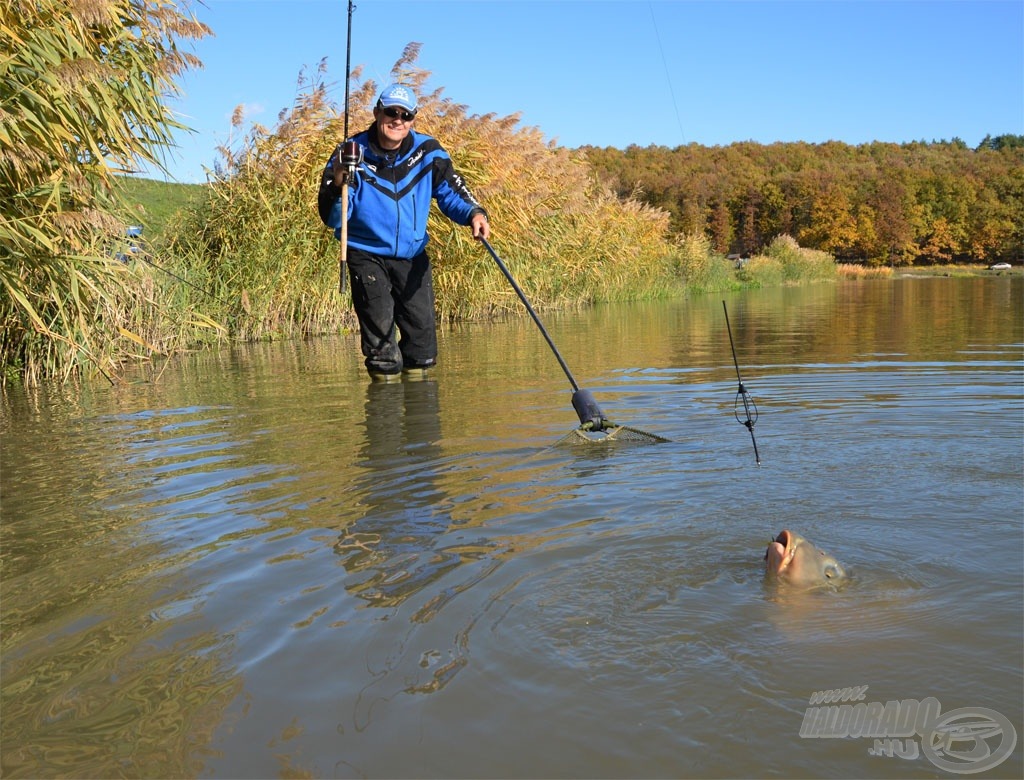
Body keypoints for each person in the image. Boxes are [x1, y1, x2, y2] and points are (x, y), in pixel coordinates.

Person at [318, 83, 491, 381]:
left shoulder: (429, 152)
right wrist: (338, 183)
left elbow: (452, 193)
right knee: (382, 348)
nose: (398, 120)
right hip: (366, 255)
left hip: (412, 256)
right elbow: (334, 218)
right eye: (391, 112)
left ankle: (419, 420)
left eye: (405, 114)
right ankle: (384, 417)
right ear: (377, 113)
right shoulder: (349, 153)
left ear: (413, 118)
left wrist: (474, 214)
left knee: (422, 348)